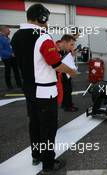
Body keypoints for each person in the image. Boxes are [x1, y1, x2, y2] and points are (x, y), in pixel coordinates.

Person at [11, 4, 77, 174]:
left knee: (34, 124)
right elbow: (55, 63)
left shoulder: (16, 36)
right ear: (42, 18)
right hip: (45, 91)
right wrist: (71, 70)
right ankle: (48, 163)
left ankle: (36, 155)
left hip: (29, 88)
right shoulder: (42, 36)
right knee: (48, 128)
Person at [56, 34, 78, 112]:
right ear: (64, 42)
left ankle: (67, 104)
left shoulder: (63, 49)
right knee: (66, 89)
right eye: (71, 45)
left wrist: (72, 55)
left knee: (68, 88)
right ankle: (67, 105)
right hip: (59, 75)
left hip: (64, 74)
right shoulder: (55, 49)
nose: (72, 47)